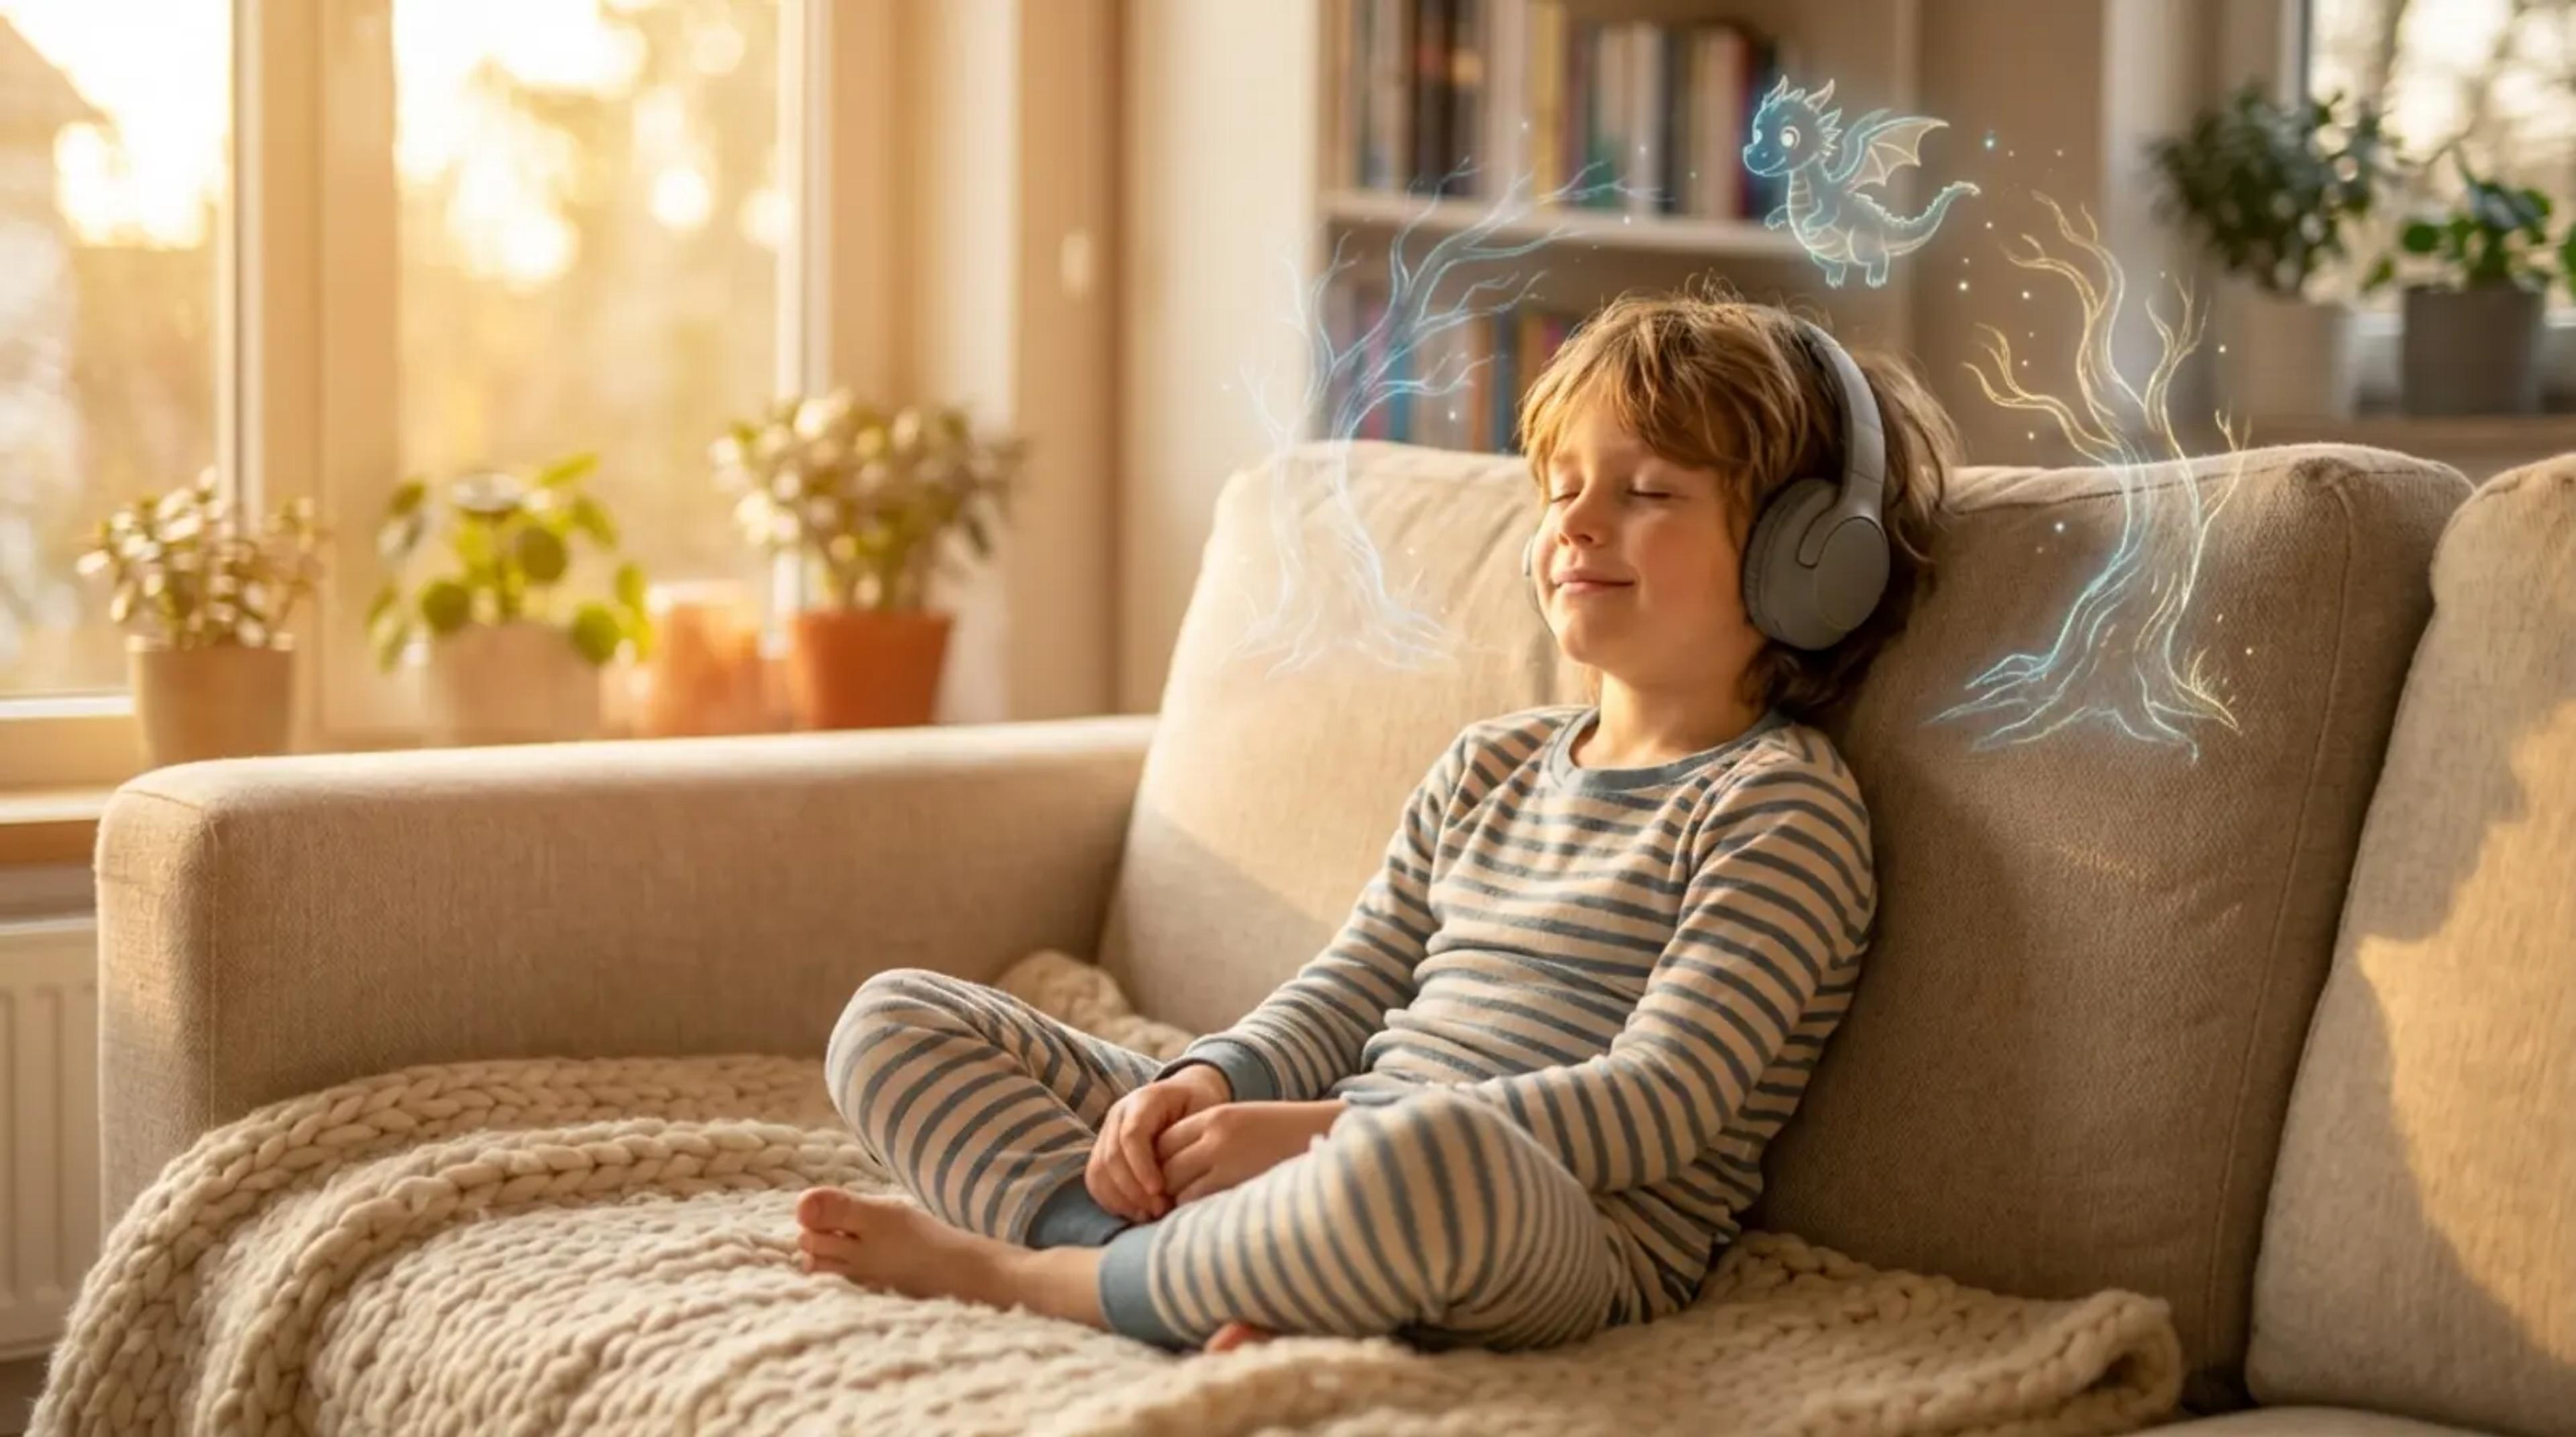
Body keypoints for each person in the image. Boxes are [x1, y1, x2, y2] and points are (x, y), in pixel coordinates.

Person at [794, 292, 1957, 1354]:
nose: (1577, 523)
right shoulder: (1487, 766)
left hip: (1544, 1220)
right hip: (1319, 1155)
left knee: (1429, 1161)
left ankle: (1035, 1277)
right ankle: (1162, 1261)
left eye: (1647, 491)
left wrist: (1317, 1138)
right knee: (893, 1019)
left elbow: (1657, 1103)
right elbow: (1348, 989)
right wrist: (1209, 1086)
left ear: (1805, 560)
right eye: (1561, 487)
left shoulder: (1781, 809)